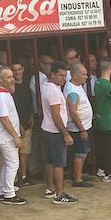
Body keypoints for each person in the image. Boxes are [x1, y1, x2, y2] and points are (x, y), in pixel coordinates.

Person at [0, 66, 27, 205]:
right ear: (0, 79)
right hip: (5, 136)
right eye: (9, 77)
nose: (13, 79)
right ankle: (9, 194)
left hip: (2, 135)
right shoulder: (2, 96)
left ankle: (4, 191)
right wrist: (15, 136)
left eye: (12, 76)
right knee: (13, 163)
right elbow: (4, 118)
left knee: (7, 163)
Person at [39, 63, 77, 202]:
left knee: (49, 160)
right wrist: (66, 133)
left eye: (65, 76)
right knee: (59, 163)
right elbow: (56, 115)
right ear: (53, 74)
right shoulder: (54, 91)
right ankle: (59, 194)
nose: (64, 79)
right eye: (61, 75)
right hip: (55, 131)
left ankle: (50, 188)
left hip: (47, 128)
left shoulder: (46, 86)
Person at [64, 61, 95, 190]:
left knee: (83, 151)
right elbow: (73, 111)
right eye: (83, 74)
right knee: (79, 153)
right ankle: (77, 178)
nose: (86, 77)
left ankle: (79, 173)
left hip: (84, 125)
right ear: (75, 75)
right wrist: (81, 129)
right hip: (78, 128)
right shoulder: (72, 91)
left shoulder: (76, 86)